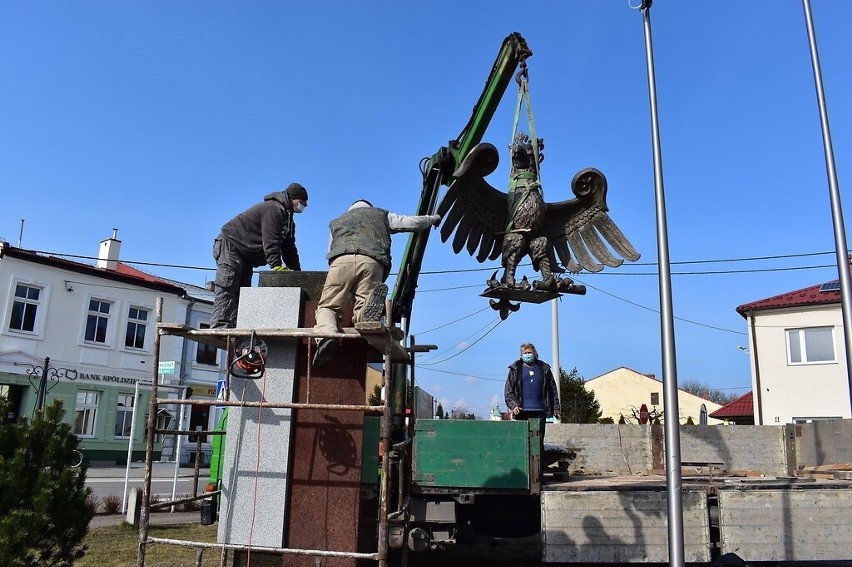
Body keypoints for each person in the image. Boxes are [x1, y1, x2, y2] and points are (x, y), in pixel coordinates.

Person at [312, 199, 441, 366]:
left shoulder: (338, 220)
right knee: (364, 307)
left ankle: (326, 336)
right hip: (372, 261)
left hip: (340, 261)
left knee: (328, 306)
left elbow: (329, 249)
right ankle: (365, 315)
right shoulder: (380, 215)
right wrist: (432, 219)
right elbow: (409, 223)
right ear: (369, 207)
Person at [210, 183, 308, 329]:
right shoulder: (273, 209)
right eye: (302, 202)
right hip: (231, 245)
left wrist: (297, 274)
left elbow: (289, 248)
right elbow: (270, 239)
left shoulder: (288, 219)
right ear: (292, 199)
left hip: (246, 255)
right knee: (228, 286)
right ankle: (219, 326)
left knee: (242, 291)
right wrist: (276, 265)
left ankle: (234, 326)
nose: (304, 206)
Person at [504, 342, 561, 456]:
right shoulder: (515, 370)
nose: (528, 354)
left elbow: (553, 391)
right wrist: (514, 405)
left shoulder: (544, 369)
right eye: (525, 353)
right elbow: (508, 391)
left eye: (530, 352)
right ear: (521, 355)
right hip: (522, 412)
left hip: (540, 411)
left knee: (538, 443)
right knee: (523, 443)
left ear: (535, 353)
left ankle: (538, 470)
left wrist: (556, 409)